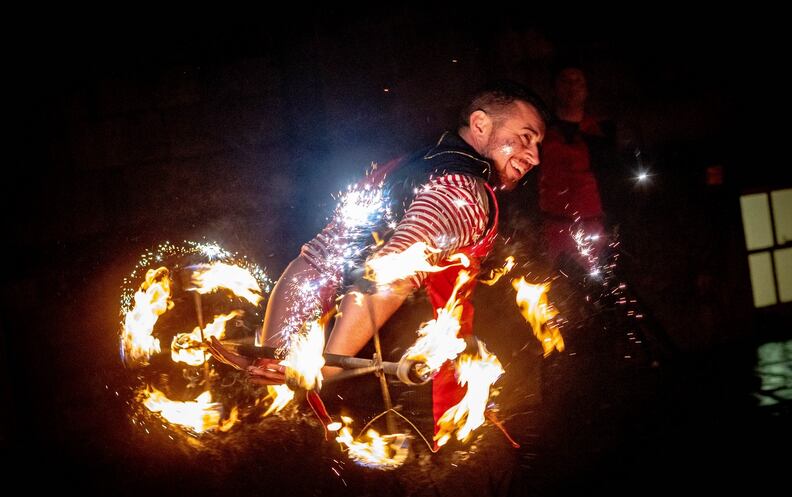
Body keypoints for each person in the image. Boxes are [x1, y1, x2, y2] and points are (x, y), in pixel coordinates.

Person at [209, 80, 549, 439]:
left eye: (538, 144)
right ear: (480, 124)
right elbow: (391, 275)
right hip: (418, 415)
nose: (535, 156)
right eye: (525, 137)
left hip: (357, 413)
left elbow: (315, 263)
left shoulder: (395, 169)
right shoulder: (461, 191)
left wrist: (275, 352)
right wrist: (319, 368)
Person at [537, 65, 616, 271]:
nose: (572, 87)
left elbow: (615, 183)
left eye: (578, 81)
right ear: (554, 87)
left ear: (586, 89)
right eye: (565, 80)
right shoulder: (540, 131)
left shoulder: (601, 133)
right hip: (553, 229)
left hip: (594, 228)